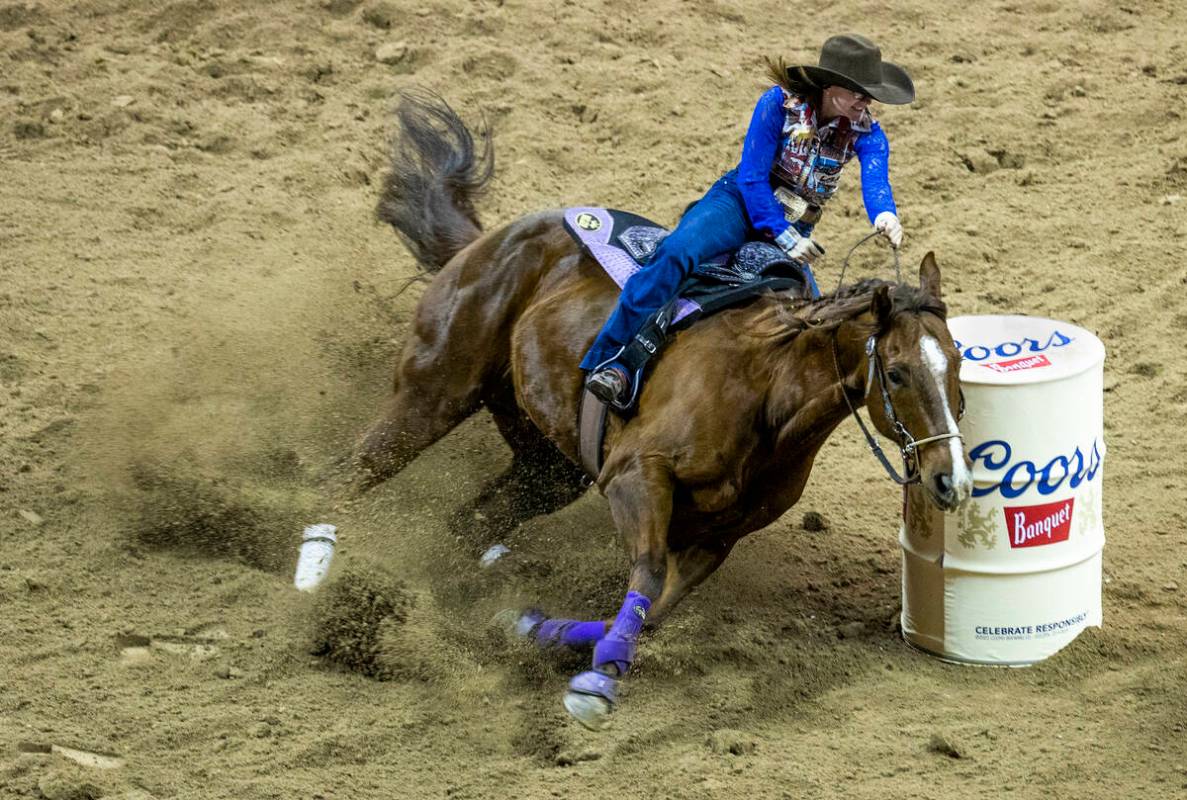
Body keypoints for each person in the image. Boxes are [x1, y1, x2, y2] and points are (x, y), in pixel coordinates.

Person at [582, 33, 916, 406]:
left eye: (868, 94)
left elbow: (876, 180)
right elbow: (752, 179)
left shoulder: (868, 132)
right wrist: (786, 236)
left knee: (816, 323)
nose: (865, 101)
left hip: (794, 227)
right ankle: (612, 359)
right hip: (738, 205)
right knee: (677, 253)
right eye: (858, 91)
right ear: (831, 87)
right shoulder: (777, 104)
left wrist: (885, 215)